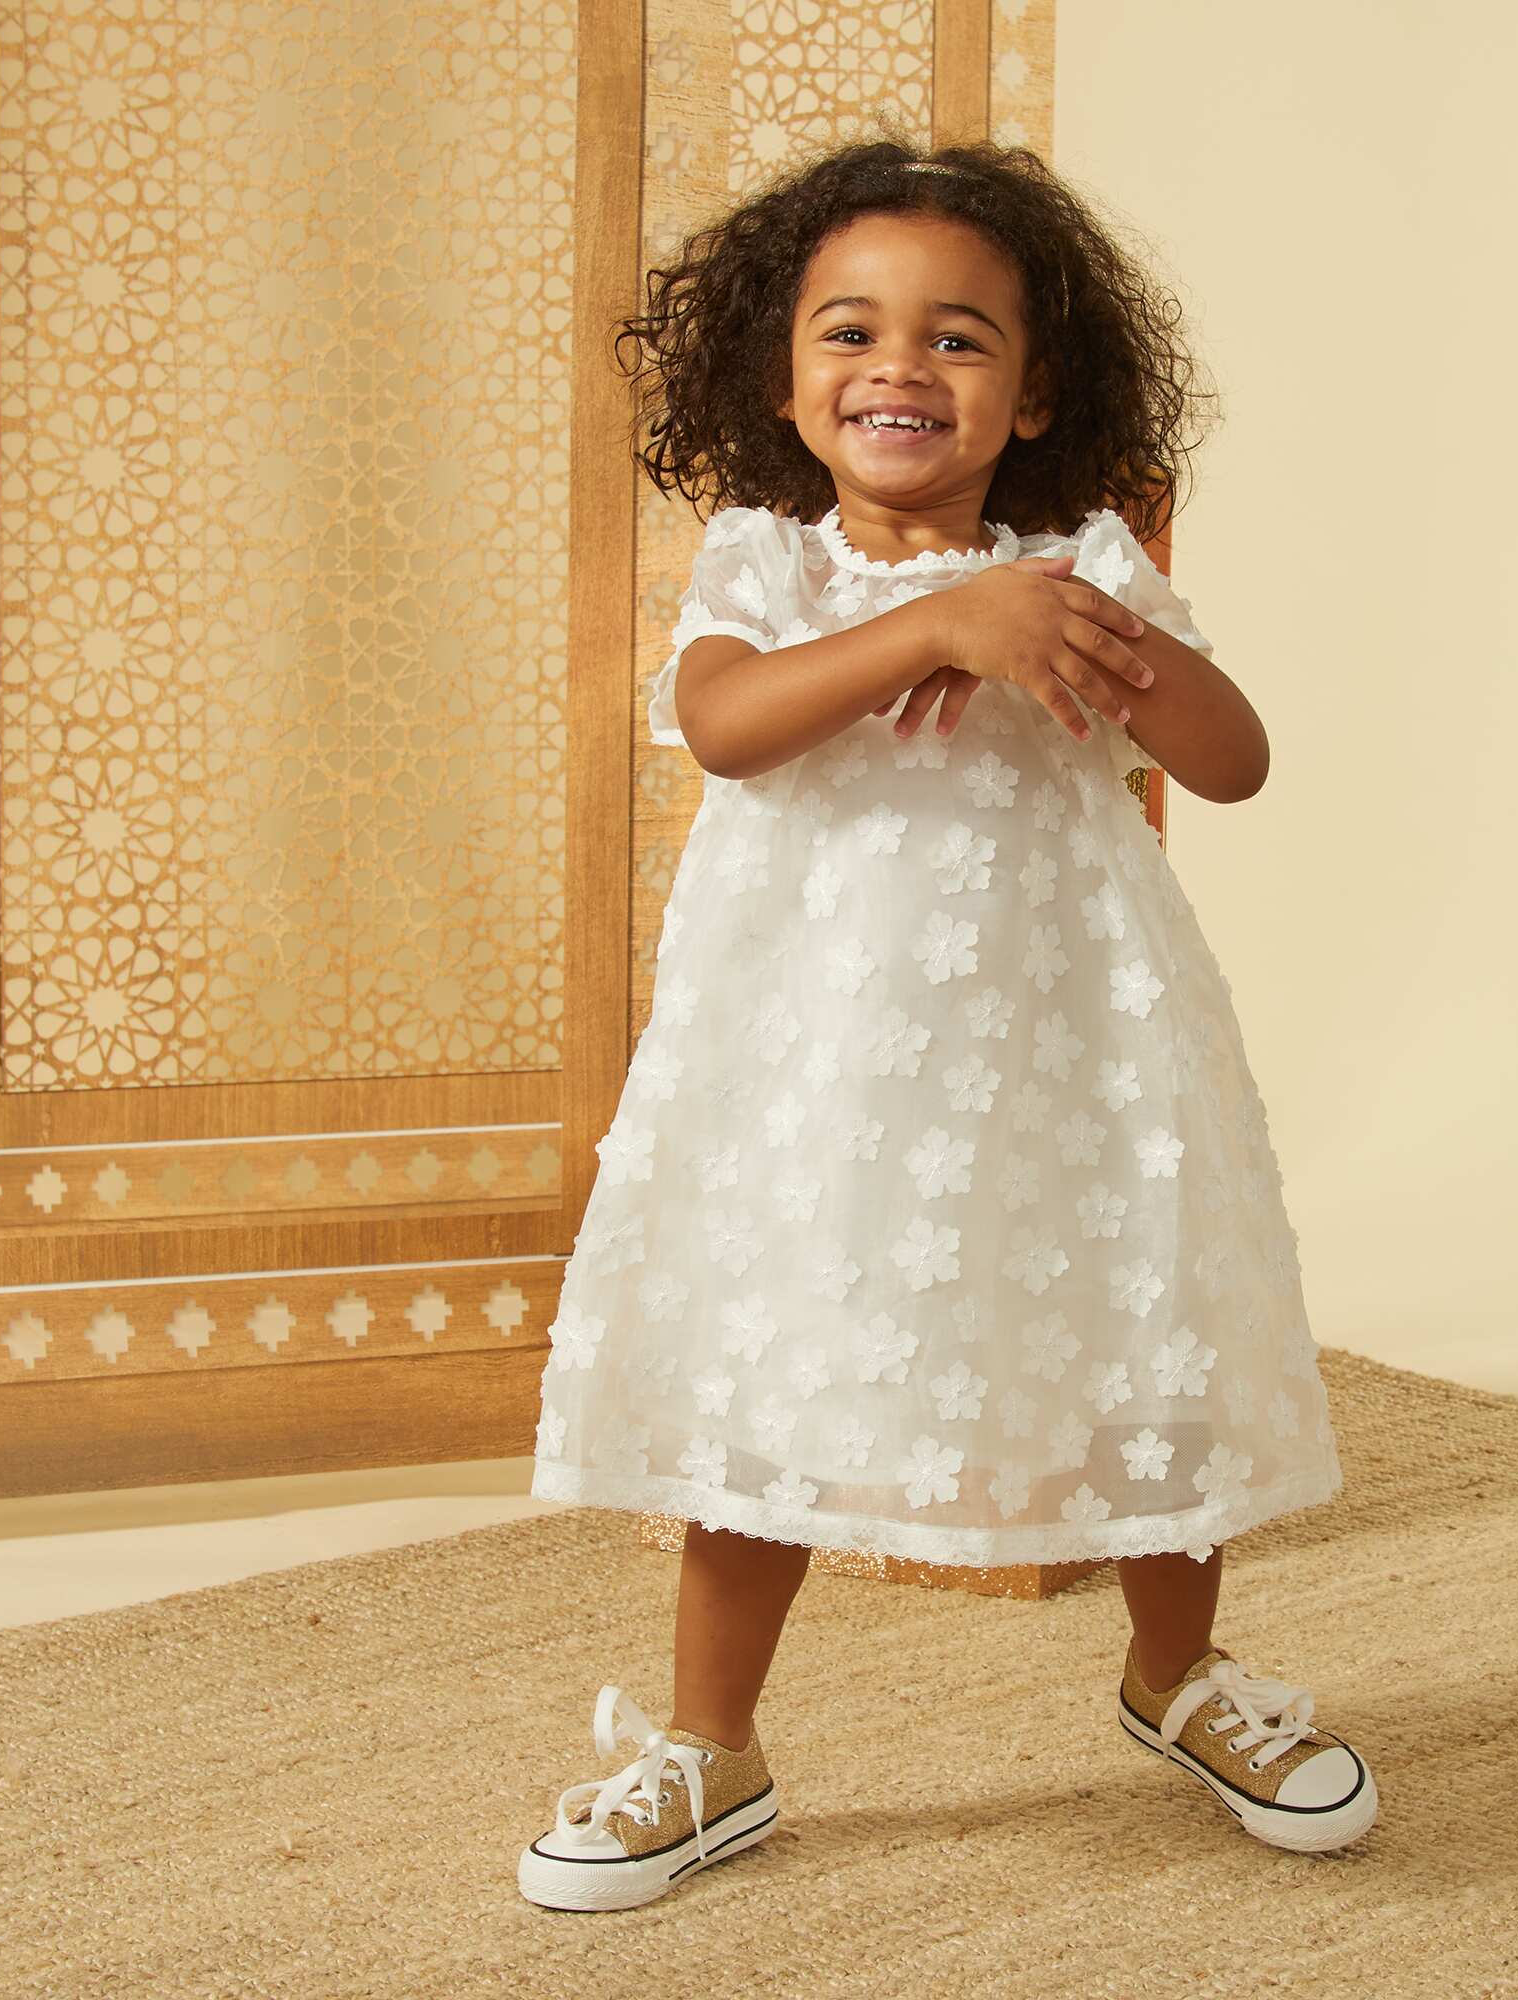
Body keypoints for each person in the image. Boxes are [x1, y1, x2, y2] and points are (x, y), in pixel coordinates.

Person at [516, 133, 1377, 1915]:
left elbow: (1232, 762)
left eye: (958, 335)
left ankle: (1178, 1674)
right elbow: (732, 724)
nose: (898, 364)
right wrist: (938, 625)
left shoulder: (1082, 572)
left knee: (1138, 1340)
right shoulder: (765, 564)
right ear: (782, 380)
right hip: (812, 1076)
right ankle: (711, 1744)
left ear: (1036, 391)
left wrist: (1077, 614)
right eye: (849, 330)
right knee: (771, 1358)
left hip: (1070, 1065)